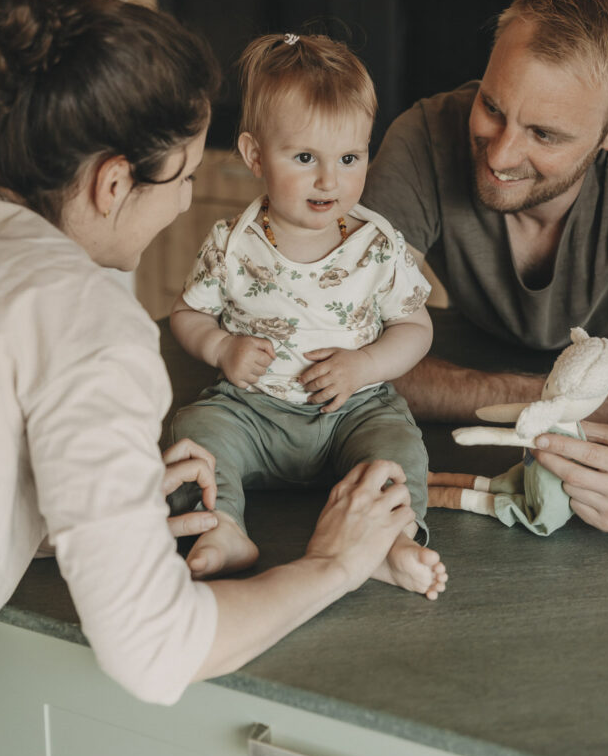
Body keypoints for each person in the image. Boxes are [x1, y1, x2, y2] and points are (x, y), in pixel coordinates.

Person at [0, 0, 419, 742]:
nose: (190, 198)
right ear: (114, 182)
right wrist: (333, 564)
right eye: (185, 176)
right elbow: (154, 651)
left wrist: (110, 494)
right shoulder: (86, 319)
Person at [169, 33, 448, 600]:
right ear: (253, 156)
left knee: (398, 446)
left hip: (353, 411)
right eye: (304, 158)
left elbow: (417, 327)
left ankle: (390, 540)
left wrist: (364, 364)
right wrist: (222, 348)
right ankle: (223, 528)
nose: (330, 180)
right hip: (253, 412)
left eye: (350, 158)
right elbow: (187, 314)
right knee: (196, 434)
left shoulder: (378, 245)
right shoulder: (231, 244)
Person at [362, 0, 608, 532]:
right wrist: (550, 398)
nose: (499, 156)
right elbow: (345, 344)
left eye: (544, 134)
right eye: (493, 108)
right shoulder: (425, 138)